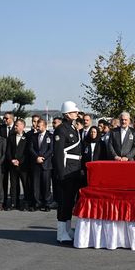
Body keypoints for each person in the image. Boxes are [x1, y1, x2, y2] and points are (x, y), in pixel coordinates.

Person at [53, 101, 82, 242]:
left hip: (74, 169)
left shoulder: (72, 128)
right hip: (66, 169)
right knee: (64, 202)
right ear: (67, 114)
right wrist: (60, 173)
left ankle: (67, 229)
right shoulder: (61, 129)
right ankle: (60, 233)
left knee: (70, 201)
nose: (76, 114)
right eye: (74, 112)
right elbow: (58, 153)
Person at [28, 119, 53, 211]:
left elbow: (51, 150)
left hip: (46, 164)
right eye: (37, 126)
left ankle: (47, 204)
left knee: (46, 185)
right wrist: (37, 157)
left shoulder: (50, 136)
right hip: (36, 164)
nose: (37, 127)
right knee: (36, 185)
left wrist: (43, 158)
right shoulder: (34, 136)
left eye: (39, 126)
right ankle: (37, 203)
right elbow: (30, 148)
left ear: (45, 126)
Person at [7, 119, 31, 211]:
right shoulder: (11, 137)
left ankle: (26, 203)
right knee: (13, 185)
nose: (15, 127)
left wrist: (19, 161)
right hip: (13, 165)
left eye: (17, 125)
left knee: (25, 185)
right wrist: (12, 160)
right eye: (15, 125)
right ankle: (14, 203)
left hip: (23, 166)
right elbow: (8, 151)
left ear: (22, 126)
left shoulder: (27, 137)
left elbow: (28, 152)